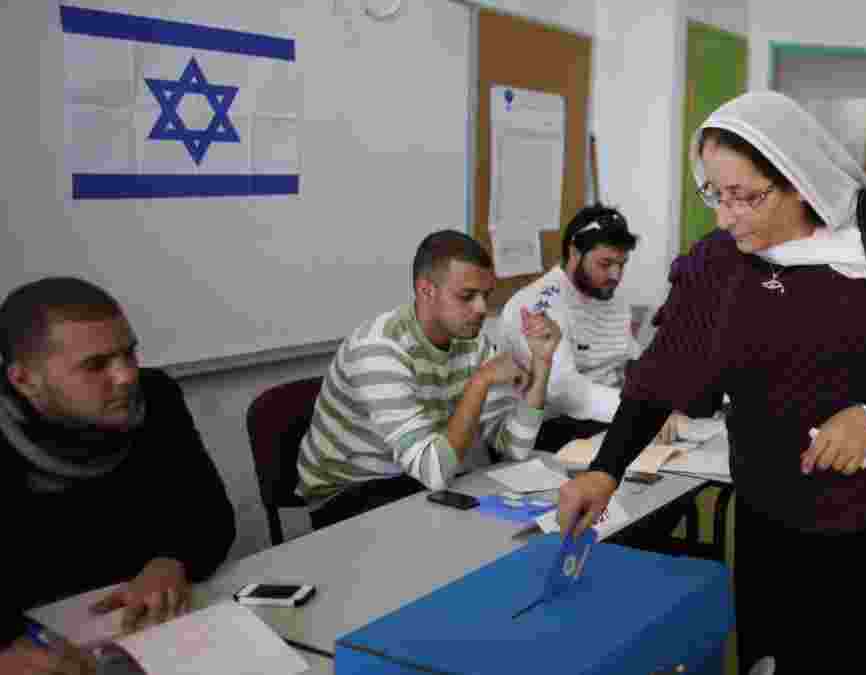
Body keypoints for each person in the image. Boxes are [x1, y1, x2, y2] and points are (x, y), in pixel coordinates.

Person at [557, 91, 866, 673]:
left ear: (799, 182)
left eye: (746, 196)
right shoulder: (716, 265)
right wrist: (605, 469)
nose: (724, 214)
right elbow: (662, 374)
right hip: (774, 523)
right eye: (714, 193)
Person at [0, 277, 236, 674]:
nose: (127, 376)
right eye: (96, 365)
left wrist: (172, 560)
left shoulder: (157, 397)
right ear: (24, 380)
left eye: (129, 353)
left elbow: (210, 515)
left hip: (157, 632)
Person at [297, 230, 561, 530]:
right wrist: (481, 381)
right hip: (352, 490)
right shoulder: (378, 349)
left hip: (418, 476)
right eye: (466, 296)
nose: (481, 309)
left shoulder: (473, 341)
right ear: (426, 291)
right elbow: (434, 472)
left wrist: (542, 363)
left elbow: (514, 448)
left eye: (485, 296)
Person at [499, 204, 718, 452]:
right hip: (551, 427)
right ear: (574, 253)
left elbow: (630, 358)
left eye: (621, 264)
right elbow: (564, 391)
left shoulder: (611, 297)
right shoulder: (538, 304)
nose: (616, 275)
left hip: (605, 412)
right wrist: (642, 410)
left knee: (695, 405)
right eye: (605, 264)